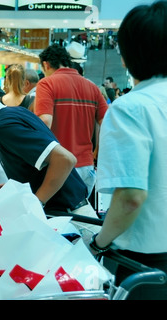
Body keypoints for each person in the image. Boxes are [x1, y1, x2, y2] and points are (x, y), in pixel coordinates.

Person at [0, 61, 96, 221]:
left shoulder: (4, 125)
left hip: (70, 217)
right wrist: (19, 185)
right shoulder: (6, 117)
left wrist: (36, 203)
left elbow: (65, 159)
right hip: (68, 212)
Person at [92, 0, 167, 300]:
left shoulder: (131, 108)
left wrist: (99, 242)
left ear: (127, 56)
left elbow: (131, 198)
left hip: (146, 265)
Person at [34, 43, 108, 198]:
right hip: (87, 166)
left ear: (46, 64)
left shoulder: (47, 83)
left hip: (59, 167)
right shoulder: (92, 87)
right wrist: (97, 151)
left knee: (57, 220)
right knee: (81, 218)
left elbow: (45, 121)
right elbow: (108, 124)